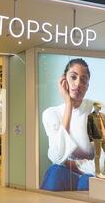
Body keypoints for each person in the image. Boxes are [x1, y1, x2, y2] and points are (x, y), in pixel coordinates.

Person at [41, 58, 97, 191]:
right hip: (63, 174)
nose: (77, 84)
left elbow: (100, 161)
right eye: (73, 77)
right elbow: (58, 157)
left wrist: (70, 163)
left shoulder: (95, 110)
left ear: (87, 86)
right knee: (56, 171)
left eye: (83, 80)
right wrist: (68, 105)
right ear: (64, 80)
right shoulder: (51, 113)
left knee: (87, 181)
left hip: (88, 175)